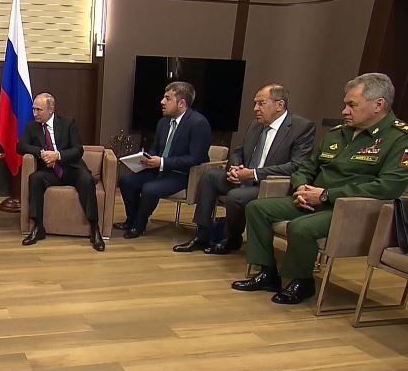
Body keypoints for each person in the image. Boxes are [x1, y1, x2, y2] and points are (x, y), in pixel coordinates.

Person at [232, 73, 408, 304]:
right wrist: (300, 187)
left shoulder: (399, 138)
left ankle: (302, 281)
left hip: (349, 209)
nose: (344, 111)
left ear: (378, 105)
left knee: (301, 227)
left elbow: (387, 187)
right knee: (256, 208)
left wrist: (326, 195)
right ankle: (267, 273)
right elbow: (307, 166)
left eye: (352, 105)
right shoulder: (339, 133)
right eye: (345, 104)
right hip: (313, 199)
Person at [173, 84, 315, 254]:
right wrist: (235, 167)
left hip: (268, 185)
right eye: (255, 103)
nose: (255, 108)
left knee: (236, 196)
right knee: (210, 177)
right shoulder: (256, 124)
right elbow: (238, 151)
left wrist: (253, 174)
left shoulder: (301, 127)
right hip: (243, 177)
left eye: (261, 103)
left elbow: (296, 165)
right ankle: (201, 235)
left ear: (280, 105)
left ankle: (231, 239)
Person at [117, 81, 211, 238]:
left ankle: (139, 225)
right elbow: (156, 148)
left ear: (182, 103)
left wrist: (162, 162)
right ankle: (131, 220)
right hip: (158, 169)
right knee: (126, 180)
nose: (162, 102)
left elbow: (195, 158)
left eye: (167, 98)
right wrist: (147, 158)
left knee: (150, 189)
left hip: (182, 174)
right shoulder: (163, 122)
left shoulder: (198, 123)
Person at [18, 92, 104, 252]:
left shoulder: (68, 123)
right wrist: (41, 153)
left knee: (86, 179)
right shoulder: (32, 127)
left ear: (50, 109)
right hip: (50, 172)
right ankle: (38, 227)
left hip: (71, 168)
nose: (35, 113)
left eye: (39, 110)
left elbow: (78, 150)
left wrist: (57, 155)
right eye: (33, 109)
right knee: (35, 178)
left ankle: (94, 228)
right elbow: (21, 146)